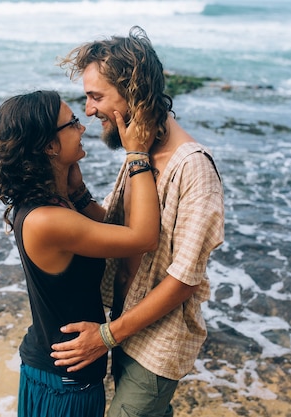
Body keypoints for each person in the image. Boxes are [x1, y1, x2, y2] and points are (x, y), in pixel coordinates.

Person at [51, 27, 225, 416]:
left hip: (156, 344)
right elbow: (118, 232)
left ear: (133, 95)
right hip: (123, 325)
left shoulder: (193, 168)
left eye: (96, 97)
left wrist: (104, 338)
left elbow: (184, 280)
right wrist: (77, 192)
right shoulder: (138, 150)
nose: (89, 110)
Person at [0, 90, 160, 417]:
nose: (83, 128)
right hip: (63, 382)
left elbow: (109, 231)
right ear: (50, 146)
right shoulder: (48, 220)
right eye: (73, 123)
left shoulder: (53, 205)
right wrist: (137, 154)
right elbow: (144, 238)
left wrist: (77, 192)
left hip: (61, 372)